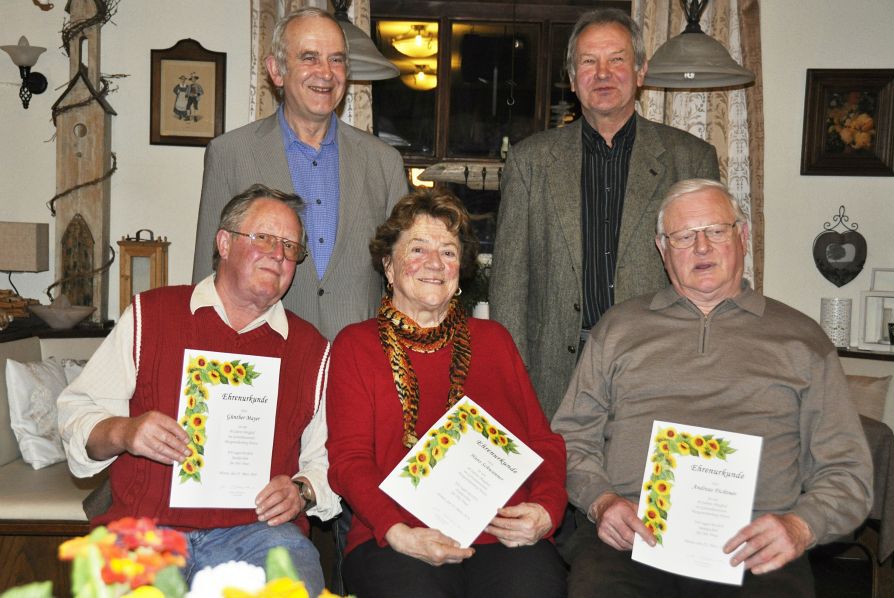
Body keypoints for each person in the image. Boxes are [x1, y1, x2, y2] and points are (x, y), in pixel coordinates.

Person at [551, 179, 874, 597]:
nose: (701, 247)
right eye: (684, 236)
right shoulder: (617, 329)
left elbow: (848, 472)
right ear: (662, 249)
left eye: (716, 231)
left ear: (743, 237)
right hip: (633, 539)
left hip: (756, 547)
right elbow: (570, 439)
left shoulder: (802, 339)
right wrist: (602, 501)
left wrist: (800, 526)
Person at [59, 185, 342, 593]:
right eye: (264, 238)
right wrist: (125, 431)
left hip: (260, 536)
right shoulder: (150, 315)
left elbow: (328, 459)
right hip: (145, 532)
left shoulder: (312, 349)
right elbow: (76, 414)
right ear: (224, 243)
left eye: (290, 246)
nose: (278, 254)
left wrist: (302, 490)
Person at [326, 189, 569, 598]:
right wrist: (396, 531)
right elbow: (349, 462)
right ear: (388, 265)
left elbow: (543, 443)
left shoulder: (494, 340)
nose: (435, 263)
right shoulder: (356, 345)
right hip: (396, 537)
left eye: (449, 252)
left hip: (502, 534)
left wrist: (546, 509)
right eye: (418, 248)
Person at [490, 8, 721, 418]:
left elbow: (710, 277)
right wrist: (512, 377)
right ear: (571, 77)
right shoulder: (530, 161)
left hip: (658, 368)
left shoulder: (690, 158)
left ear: (640, 71)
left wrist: (699, 369)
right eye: (588, 62)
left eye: (616, 59)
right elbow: (510, 280)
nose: (602, 74)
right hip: (554, 375)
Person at [192, 7, 408, 341]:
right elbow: (207, 276)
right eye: (309, 57)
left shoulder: (384, 162)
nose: (326, 72)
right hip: (262, 354)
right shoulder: (230, 153)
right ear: (276, 70)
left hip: (358, 358)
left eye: (336, 60)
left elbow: (405, 277)